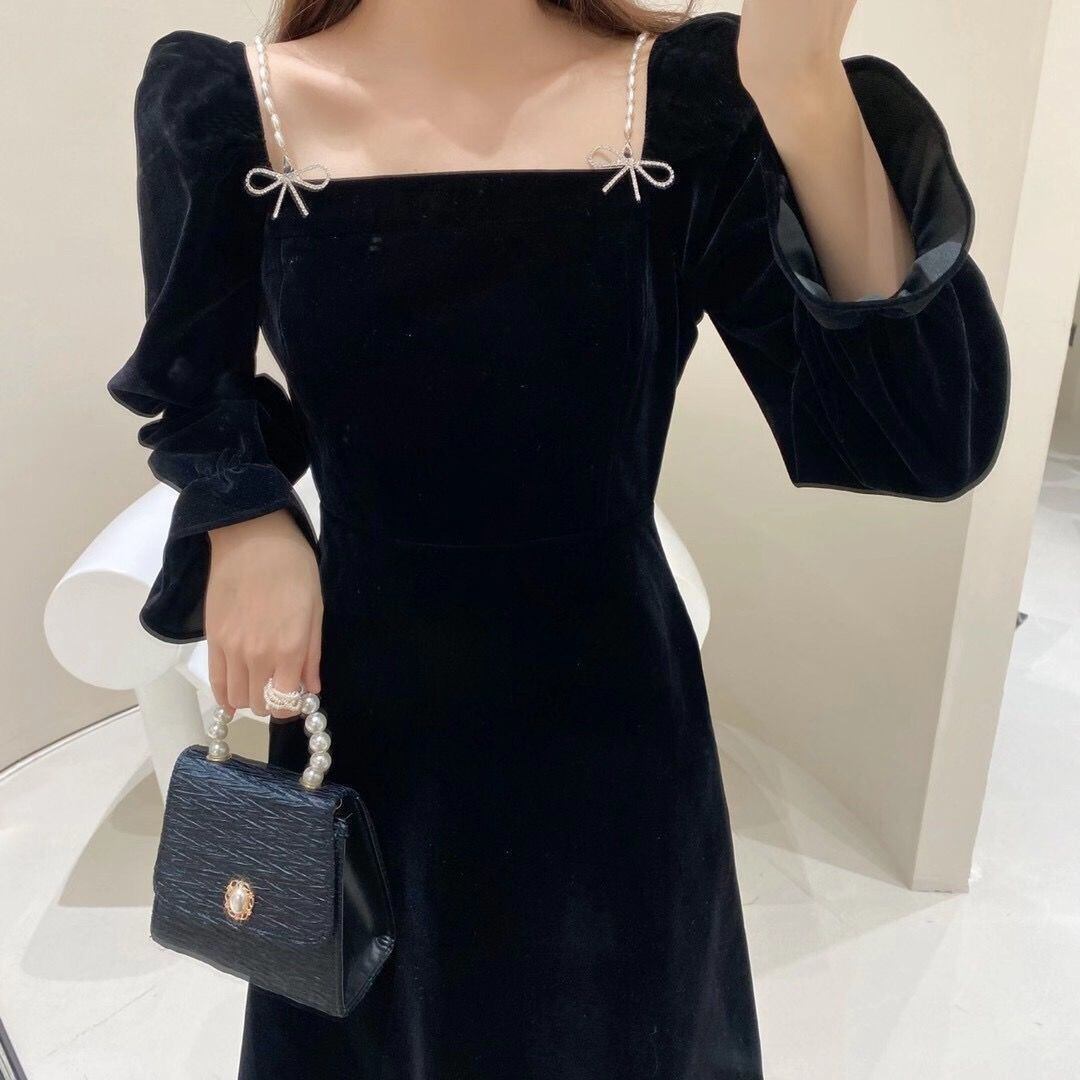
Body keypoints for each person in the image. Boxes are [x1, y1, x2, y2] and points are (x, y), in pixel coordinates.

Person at [108, 1, 1009, 1076]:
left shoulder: (677, 105)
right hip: (375, 733)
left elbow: (918, 435)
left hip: (611, 743)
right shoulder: (227, 111)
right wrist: (245, 513)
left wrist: (800, 82)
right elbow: (193, 383)